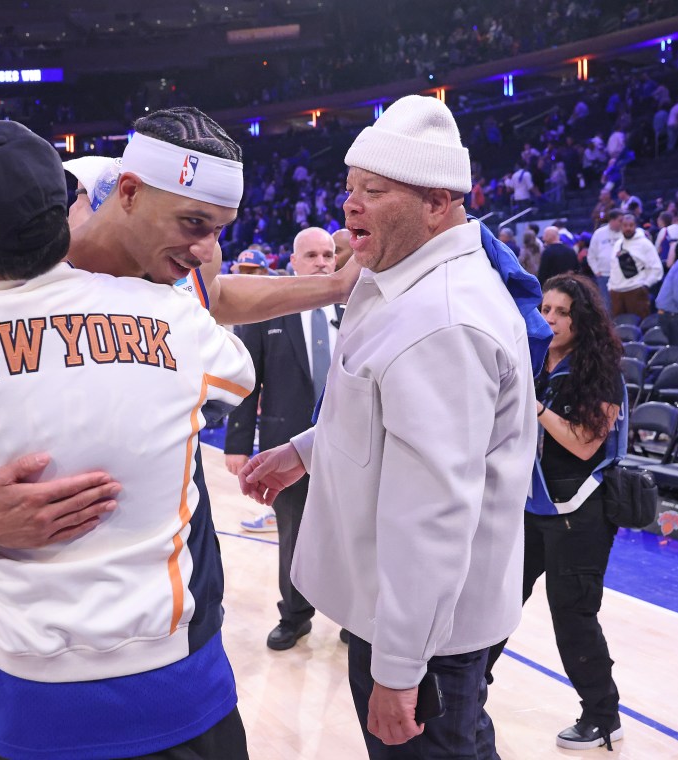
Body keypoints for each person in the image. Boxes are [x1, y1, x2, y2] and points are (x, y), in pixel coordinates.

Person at [0, 107, 360, 759]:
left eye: (218, 231)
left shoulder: (165, 253)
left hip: (166, 642)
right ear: (123, 195)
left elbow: (211, 294)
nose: (203, 250)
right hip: (29, 644)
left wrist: (330, 286)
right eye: (195, 227)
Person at [239, 95, 537, 758]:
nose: (349, 206)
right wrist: (308, 450)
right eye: (349, 188)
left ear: (437, 203)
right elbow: (390, 416)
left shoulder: (445, 320)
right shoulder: (399, 278)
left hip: (425, 637)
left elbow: (432, 514)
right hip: (403, 615)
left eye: (373, 190)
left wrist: (400, 673)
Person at [487, 273, 626, 751]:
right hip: (529, 504)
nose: (549, 318)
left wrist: (534, 404)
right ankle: (469, 686)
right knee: (498, 599)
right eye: (544, 309)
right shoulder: (534, 361)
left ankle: (603, 717)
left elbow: (584, 444)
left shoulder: (600, 370)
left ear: (581, 318)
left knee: (572, 616)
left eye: (561, 311)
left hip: (580, 512)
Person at [224, 227, 342, 649]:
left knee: (355, 533)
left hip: (352, 447)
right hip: (285, 442)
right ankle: (294, 615)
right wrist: (238, 443)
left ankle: (354, 615)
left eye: (328, 254)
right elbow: (246, 378)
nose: (322, 262)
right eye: (311, 255)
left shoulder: (354, 309)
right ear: (293, 262)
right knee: (292, 532)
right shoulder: (269, 310)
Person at [607, 214, 662, 317]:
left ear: (635, 226)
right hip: (616, 293)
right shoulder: (617, 244)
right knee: (618, 329)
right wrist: (610, 287)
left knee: (640, 326)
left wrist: (645, 285)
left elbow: (656, 268)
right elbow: (613, 267)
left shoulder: (644, 244)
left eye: (631, 225)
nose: (628, 228)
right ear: (621, 226)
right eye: (625, 225)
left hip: (635, 290)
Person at [588, 209, 623, 306]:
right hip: (603, 275)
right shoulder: (599, 233)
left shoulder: (624, 232)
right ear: (612, 220)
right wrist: (596, 271)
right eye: (620, 220)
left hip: (622, 274)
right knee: (606, 304)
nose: (622, 223)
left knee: (620, 302)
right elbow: (591, 255)